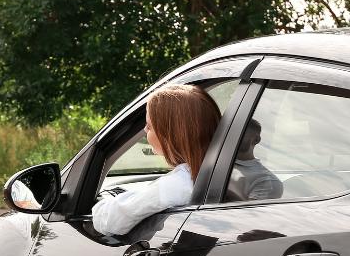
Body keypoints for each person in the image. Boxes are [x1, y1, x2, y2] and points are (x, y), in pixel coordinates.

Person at [92, 84, 221, 236]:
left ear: (171, 135)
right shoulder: (221, 172)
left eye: (149, 126)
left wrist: (100, 208)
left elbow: (109, 221)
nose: (145, 130)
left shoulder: (177, 185)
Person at [226, 119, 283, 201]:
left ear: (256, 140)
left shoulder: (266, 180)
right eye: (230, 132)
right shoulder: (216, 163)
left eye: (240, 132)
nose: (232, 136)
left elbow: (247, 213)